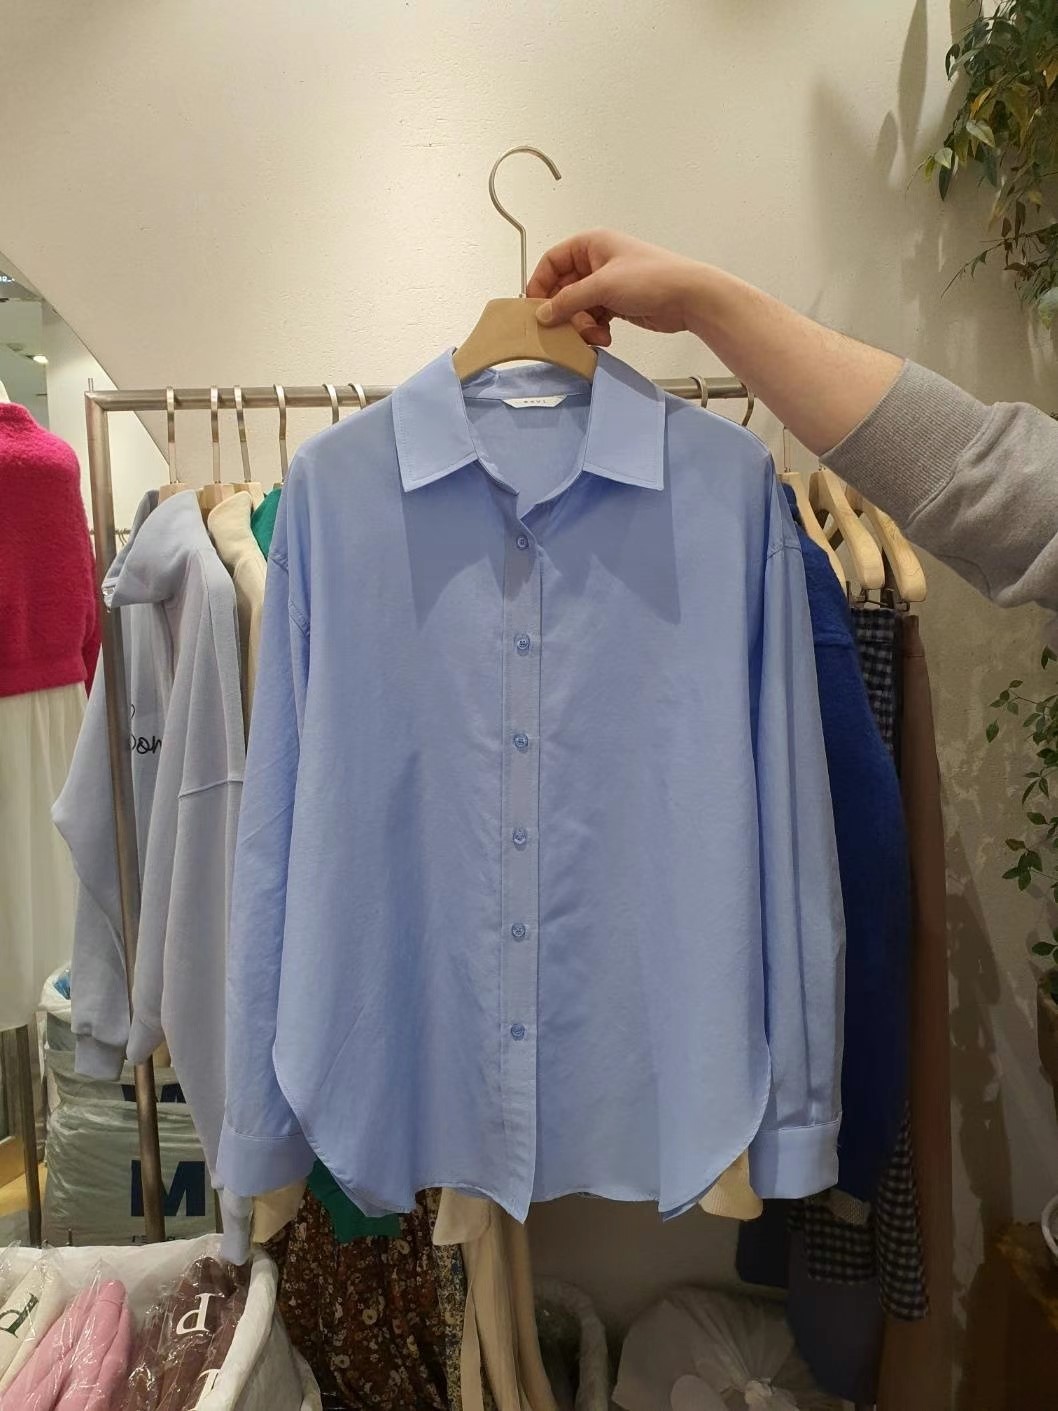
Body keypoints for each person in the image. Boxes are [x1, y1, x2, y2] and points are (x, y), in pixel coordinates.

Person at [528, 230, 1058, 612]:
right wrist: (698, 298)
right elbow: (1005, 490)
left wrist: (699, 298)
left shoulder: (735, 489)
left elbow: (1001, 491)